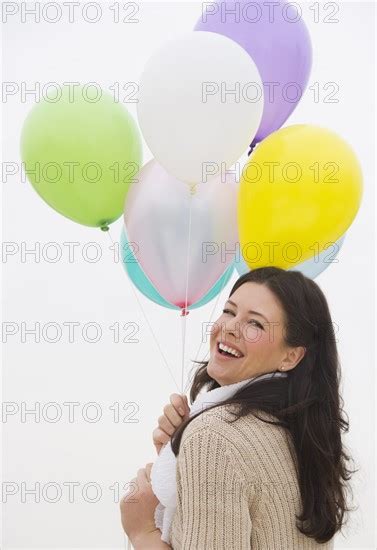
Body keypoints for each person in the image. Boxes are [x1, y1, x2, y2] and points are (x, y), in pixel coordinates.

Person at [121, 267, 358, 549]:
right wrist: (178, 457)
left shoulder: (214, 437)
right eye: (229, 311)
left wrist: (142, 531)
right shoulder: (302, 432)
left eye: (255, 324)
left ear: (291, 356)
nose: (230, 327)